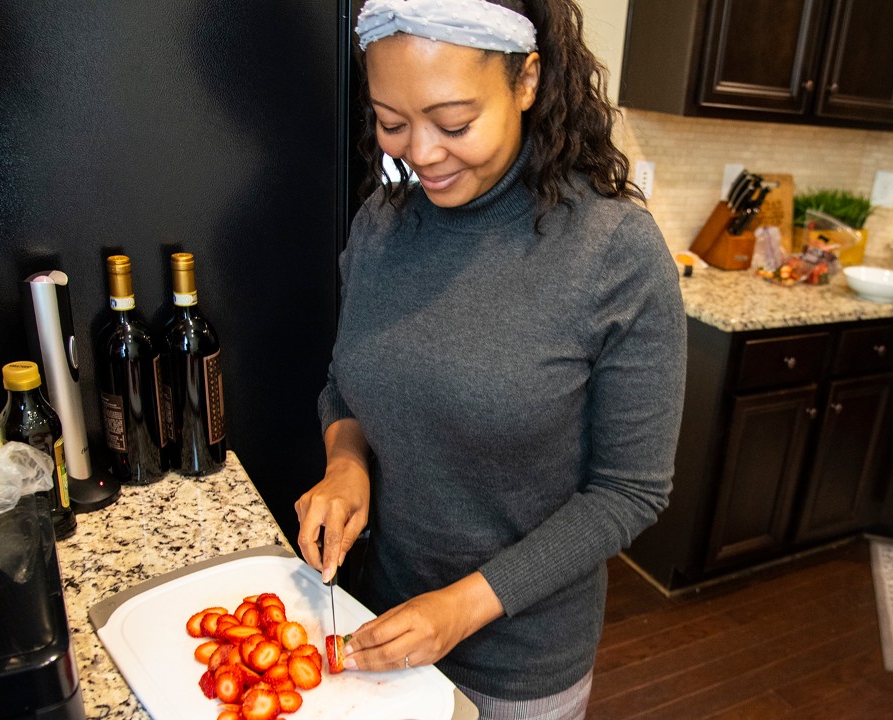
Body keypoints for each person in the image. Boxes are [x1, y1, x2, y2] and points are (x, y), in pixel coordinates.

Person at [293, 0, 686, 716]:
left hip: (519, 665)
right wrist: (345, 466)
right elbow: (345, 389)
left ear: (527, 80)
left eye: (454, 123)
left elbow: (630, 491)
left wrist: (462, 607)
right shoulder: (382, 225)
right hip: (374, 621)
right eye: (391, 122)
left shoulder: (615, 252)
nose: (421, 152)